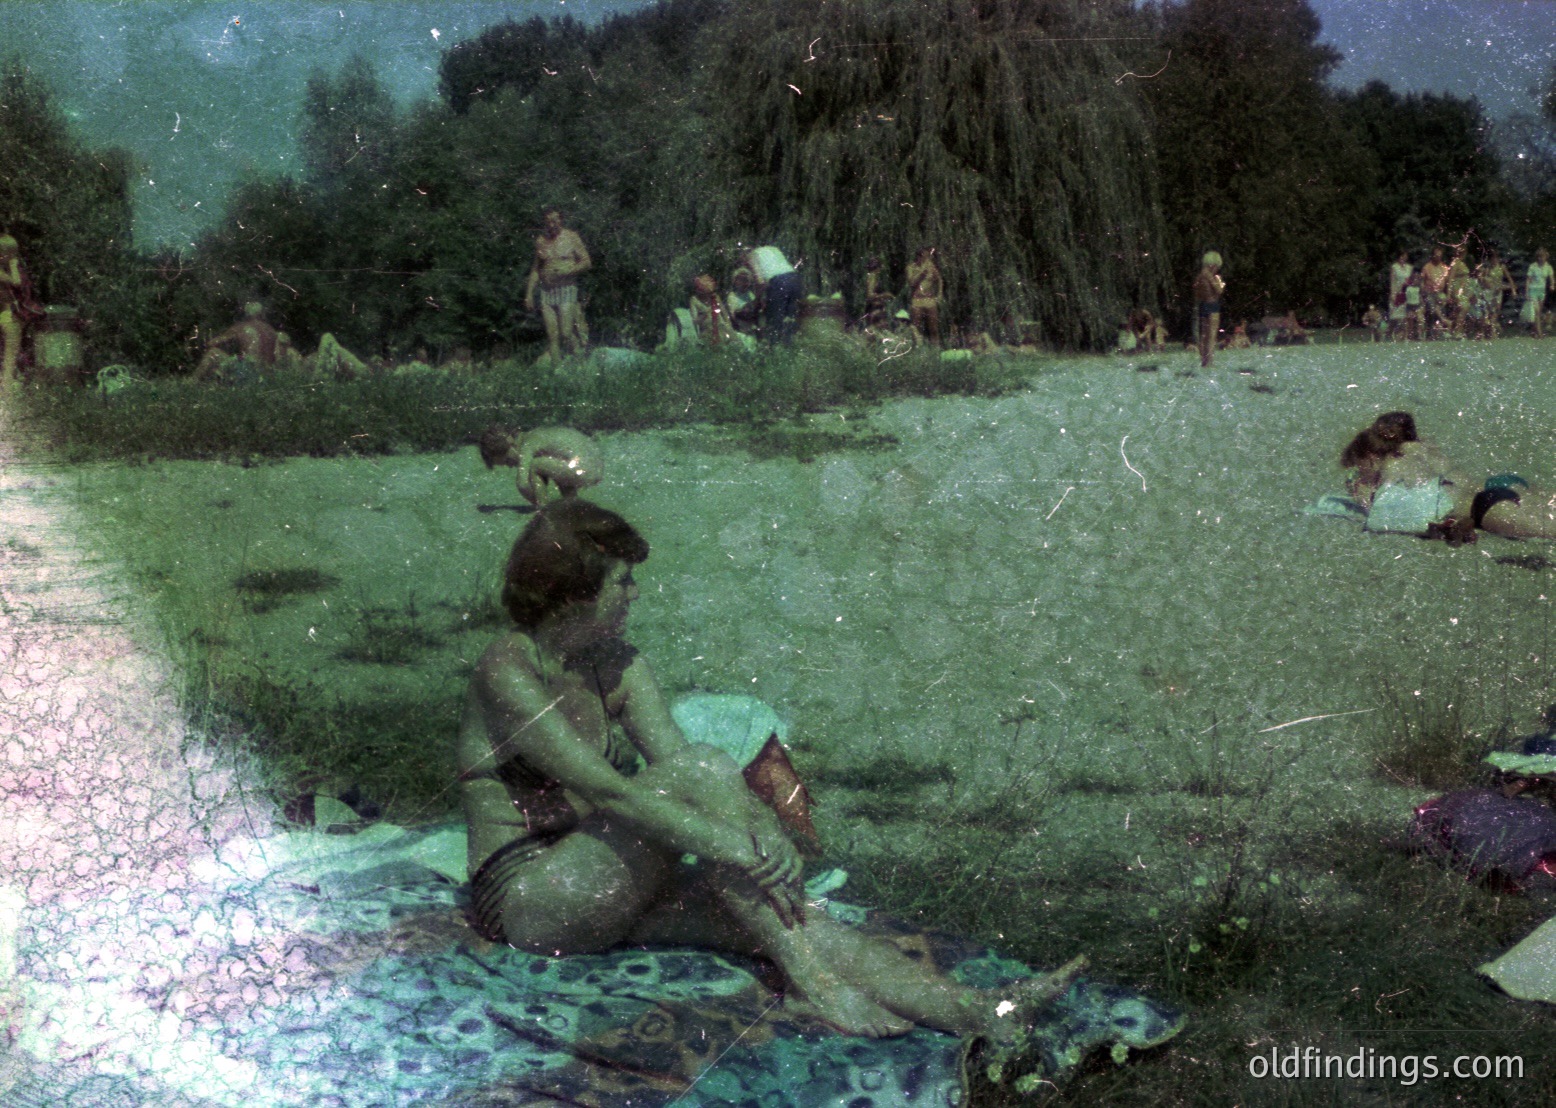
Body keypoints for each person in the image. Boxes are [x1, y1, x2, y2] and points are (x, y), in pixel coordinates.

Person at [456, 499, 1087, 1043]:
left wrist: (763, 834)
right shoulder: (508, 669)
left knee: (778, 912)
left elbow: (691, 774)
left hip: (602, 879)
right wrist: (739, 843)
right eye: (622, 582)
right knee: (725, 815)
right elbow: (608, 790)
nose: (635, 595)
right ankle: (809, 983)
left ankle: (980, 1010)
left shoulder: (618, 662)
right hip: (530, 900)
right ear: (574, 592)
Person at [1340, 411, 1556, 543]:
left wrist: (1365, 499)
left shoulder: (1393, 463)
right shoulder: (1421, 448)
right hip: (1499, 489)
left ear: (1369, 457)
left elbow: (1389, 514)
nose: (1360, 472)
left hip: (1485, 509)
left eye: (1359, 466)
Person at [524, 209, 592, 362]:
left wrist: (567, 270)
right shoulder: (541, 241)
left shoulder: (571, 237)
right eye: (548, 221)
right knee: (552, 335)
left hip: (567, 288)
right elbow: (536, 269)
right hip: (547, 291)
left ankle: (580, 359)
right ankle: (556, 371)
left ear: (561, 220)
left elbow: (587, 262)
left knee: (566, 333)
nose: (552, 224)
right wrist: (528, 294)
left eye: (555, 220)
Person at [478, 425, 603, 507]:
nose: (511, 466)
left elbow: (522, 483)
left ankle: (544, 510)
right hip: (594, 466)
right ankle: (571, 504)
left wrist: (536, 500)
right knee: (553, 466)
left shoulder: (527, 444)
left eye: (508, 461)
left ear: (512, 446)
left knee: (535, 465)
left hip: (583, 468)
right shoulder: (536, 434)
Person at [196, 302, 283, 382]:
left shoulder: (241, 327)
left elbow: (212, 343)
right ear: (261, 314)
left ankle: (191, 382)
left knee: (213, 353)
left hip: (249, 371)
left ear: (246, 314)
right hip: (267, 374)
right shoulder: (271, 330)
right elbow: (278, 356)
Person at [743, 245, 803, 346]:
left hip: (779, 282)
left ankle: (774, 350)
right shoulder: (773, 248)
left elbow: (761, 282)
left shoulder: (751, 256)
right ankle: (790, 346)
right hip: (795, 280)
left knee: (775, 320)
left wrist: (756, 300)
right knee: (790, 318)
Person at [0, 233, 28, 387]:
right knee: (10, 355)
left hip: (5, 315)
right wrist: (12, 264)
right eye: (11, 253)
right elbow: (17, 282)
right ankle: (6, 391)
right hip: (7, 315)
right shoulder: (3, 271)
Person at [905, 246, 943, 348]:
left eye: (928, 256)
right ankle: (917, 349)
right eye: (925, 256)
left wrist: (939, 294)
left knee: (933, 328)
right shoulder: (910, 267)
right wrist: (922, 273)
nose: (927, 259)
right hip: (917, 300)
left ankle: (936, 350)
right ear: (919, 257)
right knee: (916, 328)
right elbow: (912, 283)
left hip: (929, 299)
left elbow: (939, 279)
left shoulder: (931, 266)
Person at [1192, 251, 1224, 368]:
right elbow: (1219, 290)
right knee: (1212, 335)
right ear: (1213, 264)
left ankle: (1204, 361)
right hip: (1213, 305)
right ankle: (1209, 362)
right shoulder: (1210, 275)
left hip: (1203, 305)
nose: (1217, 269)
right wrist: (1220, 283)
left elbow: (1196, 293)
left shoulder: (1199, 276)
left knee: (1204, 335)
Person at [1479, 248, 1516, 339]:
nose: (1494, 260)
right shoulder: (1487, 268)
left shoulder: (1502, 267)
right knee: (1491, 311)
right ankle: (1491, 331)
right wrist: (1483, 280)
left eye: (1496, 258)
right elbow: (1480, 277)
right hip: (1490, 292)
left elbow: (1509, 278)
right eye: (1492, 259)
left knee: (1497, 310)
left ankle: (1492, 329)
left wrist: (1513, 289)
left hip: (1498, 291)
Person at [1420, 247, 1450, 339]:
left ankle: (1440, 330)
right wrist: (1423, 291)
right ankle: (1443, 321)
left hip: (1440, 293)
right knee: (1431, 304)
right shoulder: (1427, 267)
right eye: (1436, 255)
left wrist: (1448, 294)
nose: (1438, 257)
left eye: (1440, 256)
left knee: (1442, 301)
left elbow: (1448, 283)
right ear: (1433, 255)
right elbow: (1421, 282)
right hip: (1429, 293)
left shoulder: (1444, 267)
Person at [1524, 247, 1553, 339]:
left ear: (1546, 257)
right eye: (1539, 257)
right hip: (1533, 290)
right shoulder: (1533, 266)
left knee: (1538, 313)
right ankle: (1540, 333)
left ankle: (1534, 330)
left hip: (1542, 291)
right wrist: (1526, 292)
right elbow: (1528, 280)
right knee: (1536, 311)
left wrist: (1552, 285)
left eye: (1543, 256)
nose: (1541, 258)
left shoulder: (1548, 267)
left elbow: (1551, 278)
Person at [1387, 250, 1413, 341]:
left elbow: (1411, 280)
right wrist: (1393, 294)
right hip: (1397, 293)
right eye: (1401, 256)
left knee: (1405, 317)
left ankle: (1405, 336)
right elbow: (1392, 281)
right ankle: (1390, 334)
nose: (1403, 258)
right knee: (1395, 317)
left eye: (1405, 256)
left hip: (1407, 294)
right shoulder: (1394, 267)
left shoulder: (1409, 267)